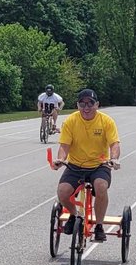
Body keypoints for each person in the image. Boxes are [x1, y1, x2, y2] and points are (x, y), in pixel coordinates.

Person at [52, 89, 121, 242]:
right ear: (77, 105)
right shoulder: (71, 121)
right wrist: (60, 159)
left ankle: (99, 226)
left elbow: (114, 144)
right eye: (82, 104)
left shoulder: (106, 121)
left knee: (101, 186)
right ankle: (75, 215)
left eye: (90, 103)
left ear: (97, 104)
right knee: (62, 192)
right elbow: (64, 146)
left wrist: (114, 159)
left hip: (99, 165)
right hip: (75, 165)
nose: (86, 107)